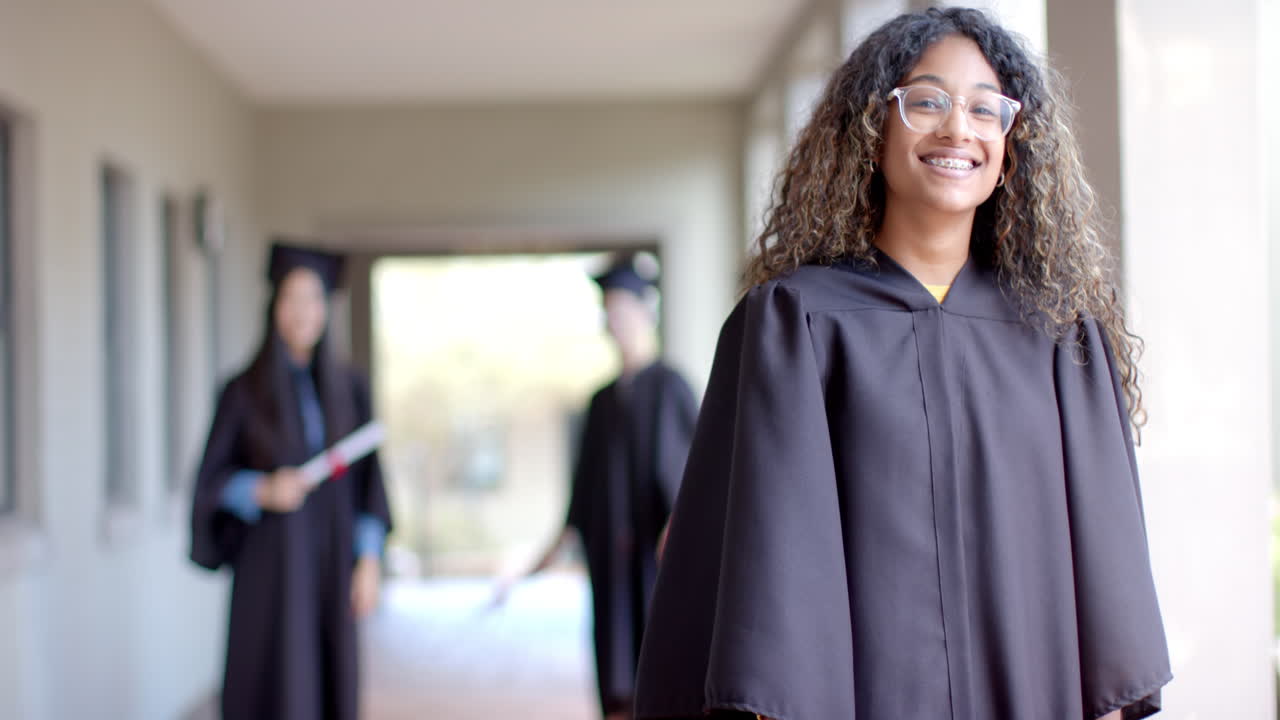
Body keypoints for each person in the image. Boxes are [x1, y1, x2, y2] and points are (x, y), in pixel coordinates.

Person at [634, 8, 1170, 720]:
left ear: (1012, 145)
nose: (959, 129)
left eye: (987, 109)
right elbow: (769, 572)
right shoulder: (797, 325)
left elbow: (1110, 575)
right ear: (872, 128)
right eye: (927, 101)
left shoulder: (1060, 336)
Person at [190, 242, 393, 720]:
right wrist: (260, 490)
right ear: (274, 307)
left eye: (314, 299)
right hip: (271, 574)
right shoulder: (242, 393)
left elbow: (370, 486)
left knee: (329, 684)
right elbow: (209, 483)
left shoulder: (351, 389)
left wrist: (368, 560)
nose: (303, 312)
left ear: (327, 309)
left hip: (332, 567)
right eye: (292, 299)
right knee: (273, 689)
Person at [501, 256, 698, 720]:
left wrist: (682, 530)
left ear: (647, 313)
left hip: (658, 570)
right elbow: (581, 500)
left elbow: (696, 480)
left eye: (625, 310)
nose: (617, 322)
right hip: (610, 568)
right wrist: (535, 564)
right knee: (615, 682)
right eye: (609, 312)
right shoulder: (600, 401)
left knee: (664, 677)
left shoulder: (673, 388)